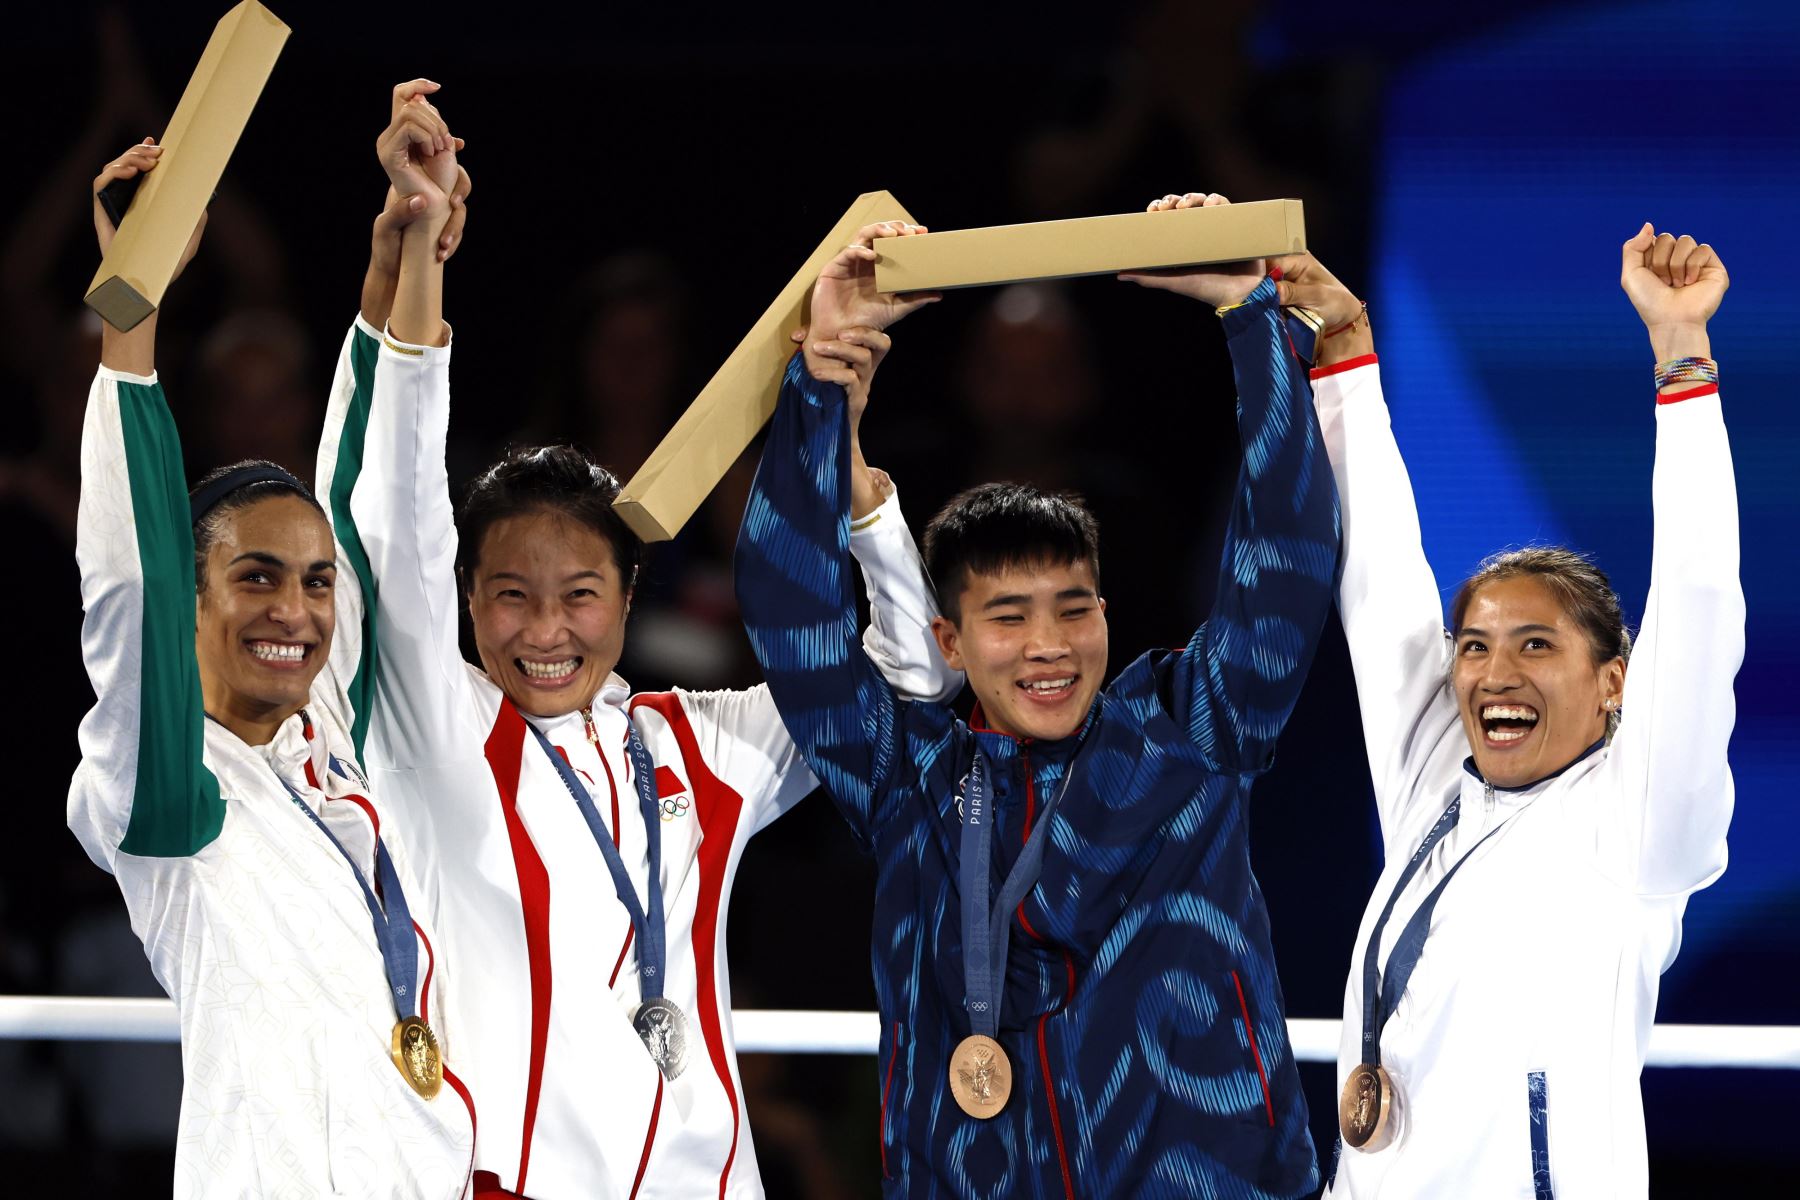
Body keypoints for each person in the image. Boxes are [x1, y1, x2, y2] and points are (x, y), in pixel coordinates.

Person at [319, 82, 962, 1199]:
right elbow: (393, 525)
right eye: (510, 597)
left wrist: (859, 498)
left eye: (578, 595)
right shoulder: (441, 730)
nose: (546, 630)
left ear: (628, 597)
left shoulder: (699, 746)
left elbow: (913, 680)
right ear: (468, 605)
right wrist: (412, 258)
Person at [736, 194, 1360, 1198]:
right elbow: (785, 610)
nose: (1049, 648)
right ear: (948, 638)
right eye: (1009, 617)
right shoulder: (907, 776)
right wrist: (818, 386)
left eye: (1073, 611)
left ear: (1108, 612)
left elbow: (1283, 555)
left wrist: (1250, 316)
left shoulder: (1191, 731)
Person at [67, 138, 473, 1197]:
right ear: (195, 601)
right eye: (254, 579)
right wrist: (133, 315)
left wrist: (404, 260)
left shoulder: (321, 748)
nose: (294, 609)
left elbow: (374, 502)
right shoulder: (165, 789)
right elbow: (127, 585)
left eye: (313, 584)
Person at [1307, 222, 1738, 1197]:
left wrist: (1683, 360)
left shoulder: (1638, 830)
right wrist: (1343, 355)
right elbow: (1378, 586)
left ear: (1614, 680)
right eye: (1476, 647)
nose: (1494, 674)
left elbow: (1702, 602)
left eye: (1536, 646)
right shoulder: (1436, 791)